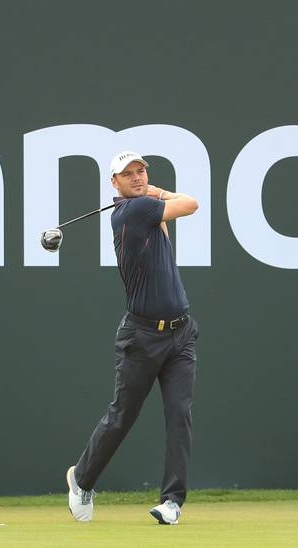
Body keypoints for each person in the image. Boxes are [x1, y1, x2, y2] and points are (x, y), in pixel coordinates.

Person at [66, 151, 200, 525]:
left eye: (142, 171)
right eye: (129, 173)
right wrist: (158, 192)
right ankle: (81, 478)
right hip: (141, 338)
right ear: (115, 183)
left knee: (179, 416)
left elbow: (169, 228)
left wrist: (154, 194)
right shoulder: (132, 211)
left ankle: (171, 501)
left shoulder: (145, 210)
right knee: (122, 416)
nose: (138, 177)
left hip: (181, 333)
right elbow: (191, 204)